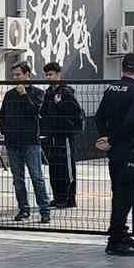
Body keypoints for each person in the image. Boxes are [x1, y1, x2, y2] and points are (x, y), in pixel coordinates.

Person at [94, 53, 134, 256]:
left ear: (122, 68)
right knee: (125, 194)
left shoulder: (111, 89)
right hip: (128, 148)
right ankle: (115, 240)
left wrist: (106, 138)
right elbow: (132, 121)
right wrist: (114, 140)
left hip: (114, 150)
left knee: (118, 191)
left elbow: (99, 117)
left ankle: (121, 233)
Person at [0, 63, 52, 223]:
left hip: (30, 142)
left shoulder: (38, 93)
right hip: (13, 142)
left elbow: (34, 112)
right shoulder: (9, 95)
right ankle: (23, 209)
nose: (15, 78)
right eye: (14, 75)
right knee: (18, 179)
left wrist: (23, 95)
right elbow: (2, 116)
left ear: (27, 74)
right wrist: (6, 132)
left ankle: (44, 210)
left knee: (37, 177)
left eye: (18, 75)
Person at [40, 61, 84, 208]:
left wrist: (60, 105)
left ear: (58, 74)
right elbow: (44, 112)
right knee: (54, 167)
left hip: (64, 135)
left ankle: (69, 198)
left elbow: (75, 112)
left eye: (51, 74)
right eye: (46, 75)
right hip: (51, 136)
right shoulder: (48, 93)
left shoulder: (66, 92)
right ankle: (58, 197)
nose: (48, 77)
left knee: (67, 167)